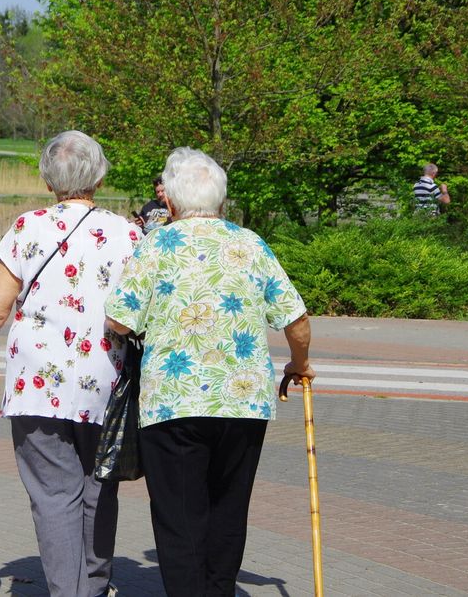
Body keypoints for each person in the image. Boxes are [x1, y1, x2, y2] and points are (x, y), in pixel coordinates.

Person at [104, 147, 315, 597]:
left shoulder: (157, 244)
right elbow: (296, 320)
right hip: (243, 401)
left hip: (174, 402)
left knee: (179, 519)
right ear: (220, 201)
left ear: (172, 205)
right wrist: (299, 366)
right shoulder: (250, 243)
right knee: (227, 509)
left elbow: (120, 320)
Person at [0, 130, 142, 597]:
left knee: (53, 495)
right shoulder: (129, 233)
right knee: (99, 486)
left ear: (48, 180)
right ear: (99, 176)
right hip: (105, 382)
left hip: (37, 386)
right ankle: (95, 585)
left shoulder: (28, 227)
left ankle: (69, 590)